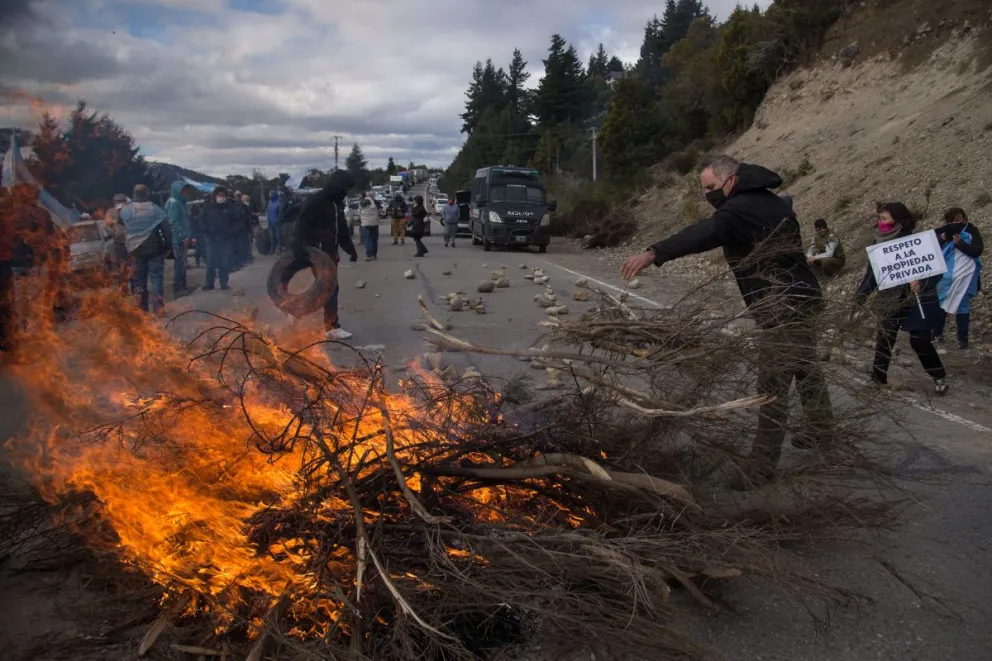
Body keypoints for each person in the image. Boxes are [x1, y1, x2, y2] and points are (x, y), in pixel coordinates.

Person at [620, 154, 833, 485]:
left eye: (711, 187)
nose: (708, 195)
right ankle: (823, 431)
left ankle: (760, 469)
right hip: (801, 298)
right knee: (805, 368)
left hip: (783, 305)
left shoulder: (740, 209)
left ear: (731, 180)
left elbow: (705, 232)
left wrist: (653, 253)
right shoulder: (770, 201)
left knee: (772, 383)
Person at [854, 202, 948, 395]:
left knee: (920, 341)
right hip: (889, 300)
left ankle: (938, 375)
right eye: (879, 218)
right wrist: (858, 298)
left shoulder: (917, 241)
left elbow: (934, 270)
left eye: (884, 218)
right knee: (885, 339)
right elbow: (872, 276)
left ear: (897, 220)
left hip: (915, 301)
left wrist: (922, 283)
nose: (881, 223)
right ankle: (877, 378)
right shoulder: (877, 244)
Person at [290, 170, 358, 340]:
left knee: (328, 288)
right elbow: (300, 223)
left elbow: (341, 229)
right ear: (337, 185)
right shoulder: (317, 200)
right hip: (317, 253)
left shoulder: (337, 204)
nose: (346, 192)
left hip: (330, 252)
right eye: (345, 188)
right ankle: (331, 326)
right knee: (329, 288)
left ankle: (298, 312)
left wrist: (350, 249)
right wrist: (298, 247)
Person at [934, 207, 983, 349]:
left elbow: (977, 251)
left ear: (964, 217)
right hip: (945, 277)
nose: (956, 221)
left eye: (959, 218)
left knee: (962, 306)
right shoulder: (941, 231)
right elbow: (929, 250)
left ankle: (963, 340)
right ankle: (937, 334)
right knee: (941, 303)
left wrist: (960, 244)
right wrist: (940, 240)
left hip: (965, 276)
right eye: (952, 219)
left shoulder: (972, 230)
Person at [120, 184, 172, 315]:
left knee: (139, 281)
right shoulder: (155, 210)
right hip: (154, 249)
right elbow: (166, 229)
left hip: (135, 251)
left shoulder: (125, 211)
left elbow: (121, 226)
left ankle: (142, 309)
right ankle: (158, 309)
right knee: (156, 279)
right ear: (147, 194)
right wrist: (168, 246)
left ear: (134, 194)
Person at [199, 186, 239, 291]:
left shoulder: (231, 207)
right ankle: (209, 283)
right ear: (215, 196)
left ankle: (224, 283)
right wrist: (206, 230)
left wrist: (232, 232)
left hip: (225, 239)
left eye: (223, 195)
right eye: (219, 195)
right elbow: (202, 221)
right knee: (211, 262)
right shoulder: (208, 207)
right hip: (211, 239)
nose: (221, 197)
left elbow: (237, 221)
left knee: (224, 262)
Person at [164, 181, 194, 296]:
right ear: (177, 190)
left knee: (182, 263)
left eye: (186, 190)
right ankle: (178, 288)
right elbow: (174, 222)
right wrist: (182, 236)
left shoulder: (180, 202)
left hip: (182, 238)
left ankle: (183, 286)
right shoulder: (173, 203)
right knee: (180, 263)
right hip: (178, 239)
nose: (186, 192)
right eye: (183, 190)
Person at [359, 191, 380, 260]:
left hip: (365, 224)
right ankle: (374, 254)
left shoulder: (362, 203)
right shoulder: (376, 202)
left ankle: (368, 255)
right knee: (374, 240)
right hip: (374, 224)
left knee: (367, 239)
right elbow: (380, 210)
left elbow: (358, 212)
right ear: (372, 196)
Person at [265, 190, 282, 254]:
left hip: (276, 222)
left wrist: (278, 219)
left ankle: (279, 249)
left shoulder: (279, 202)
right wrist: (266, 214)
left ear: (274, 195)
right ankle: (272, 248)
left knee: (278, 236)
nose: (269, 196)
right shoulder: (270, 202)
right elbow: (267, 210)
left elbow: (280, 212)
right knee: (271, 236)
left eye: (270, 194)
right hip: (270, 221)